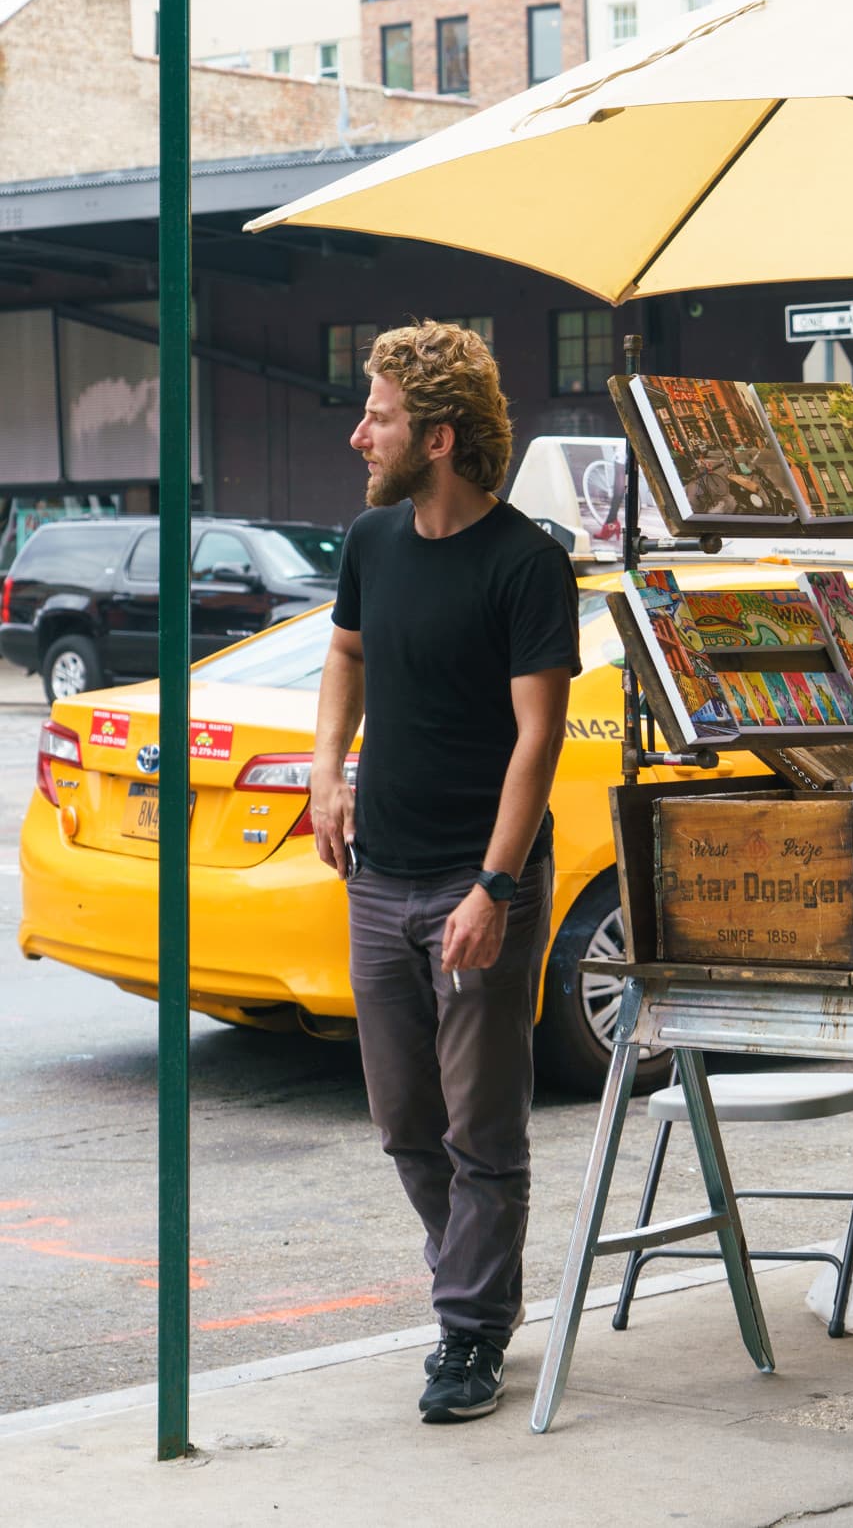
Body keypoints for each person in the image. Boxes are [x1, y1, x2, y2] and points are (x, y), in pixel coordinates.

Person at [309, 321, 580, 1424]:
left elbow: (538, 739)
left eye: (374, 414)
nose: (356, 433)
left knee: (485, 1124)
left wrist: (495, 888)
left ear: (438, 434)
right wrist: (327, 771)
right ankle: (468, 1278)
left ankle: (470, 1329)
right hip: (381, 875)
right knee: (403, 1119)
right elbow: (346, 652)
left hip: (480, 885)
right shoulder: (372, 541)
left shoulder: (525, 562)